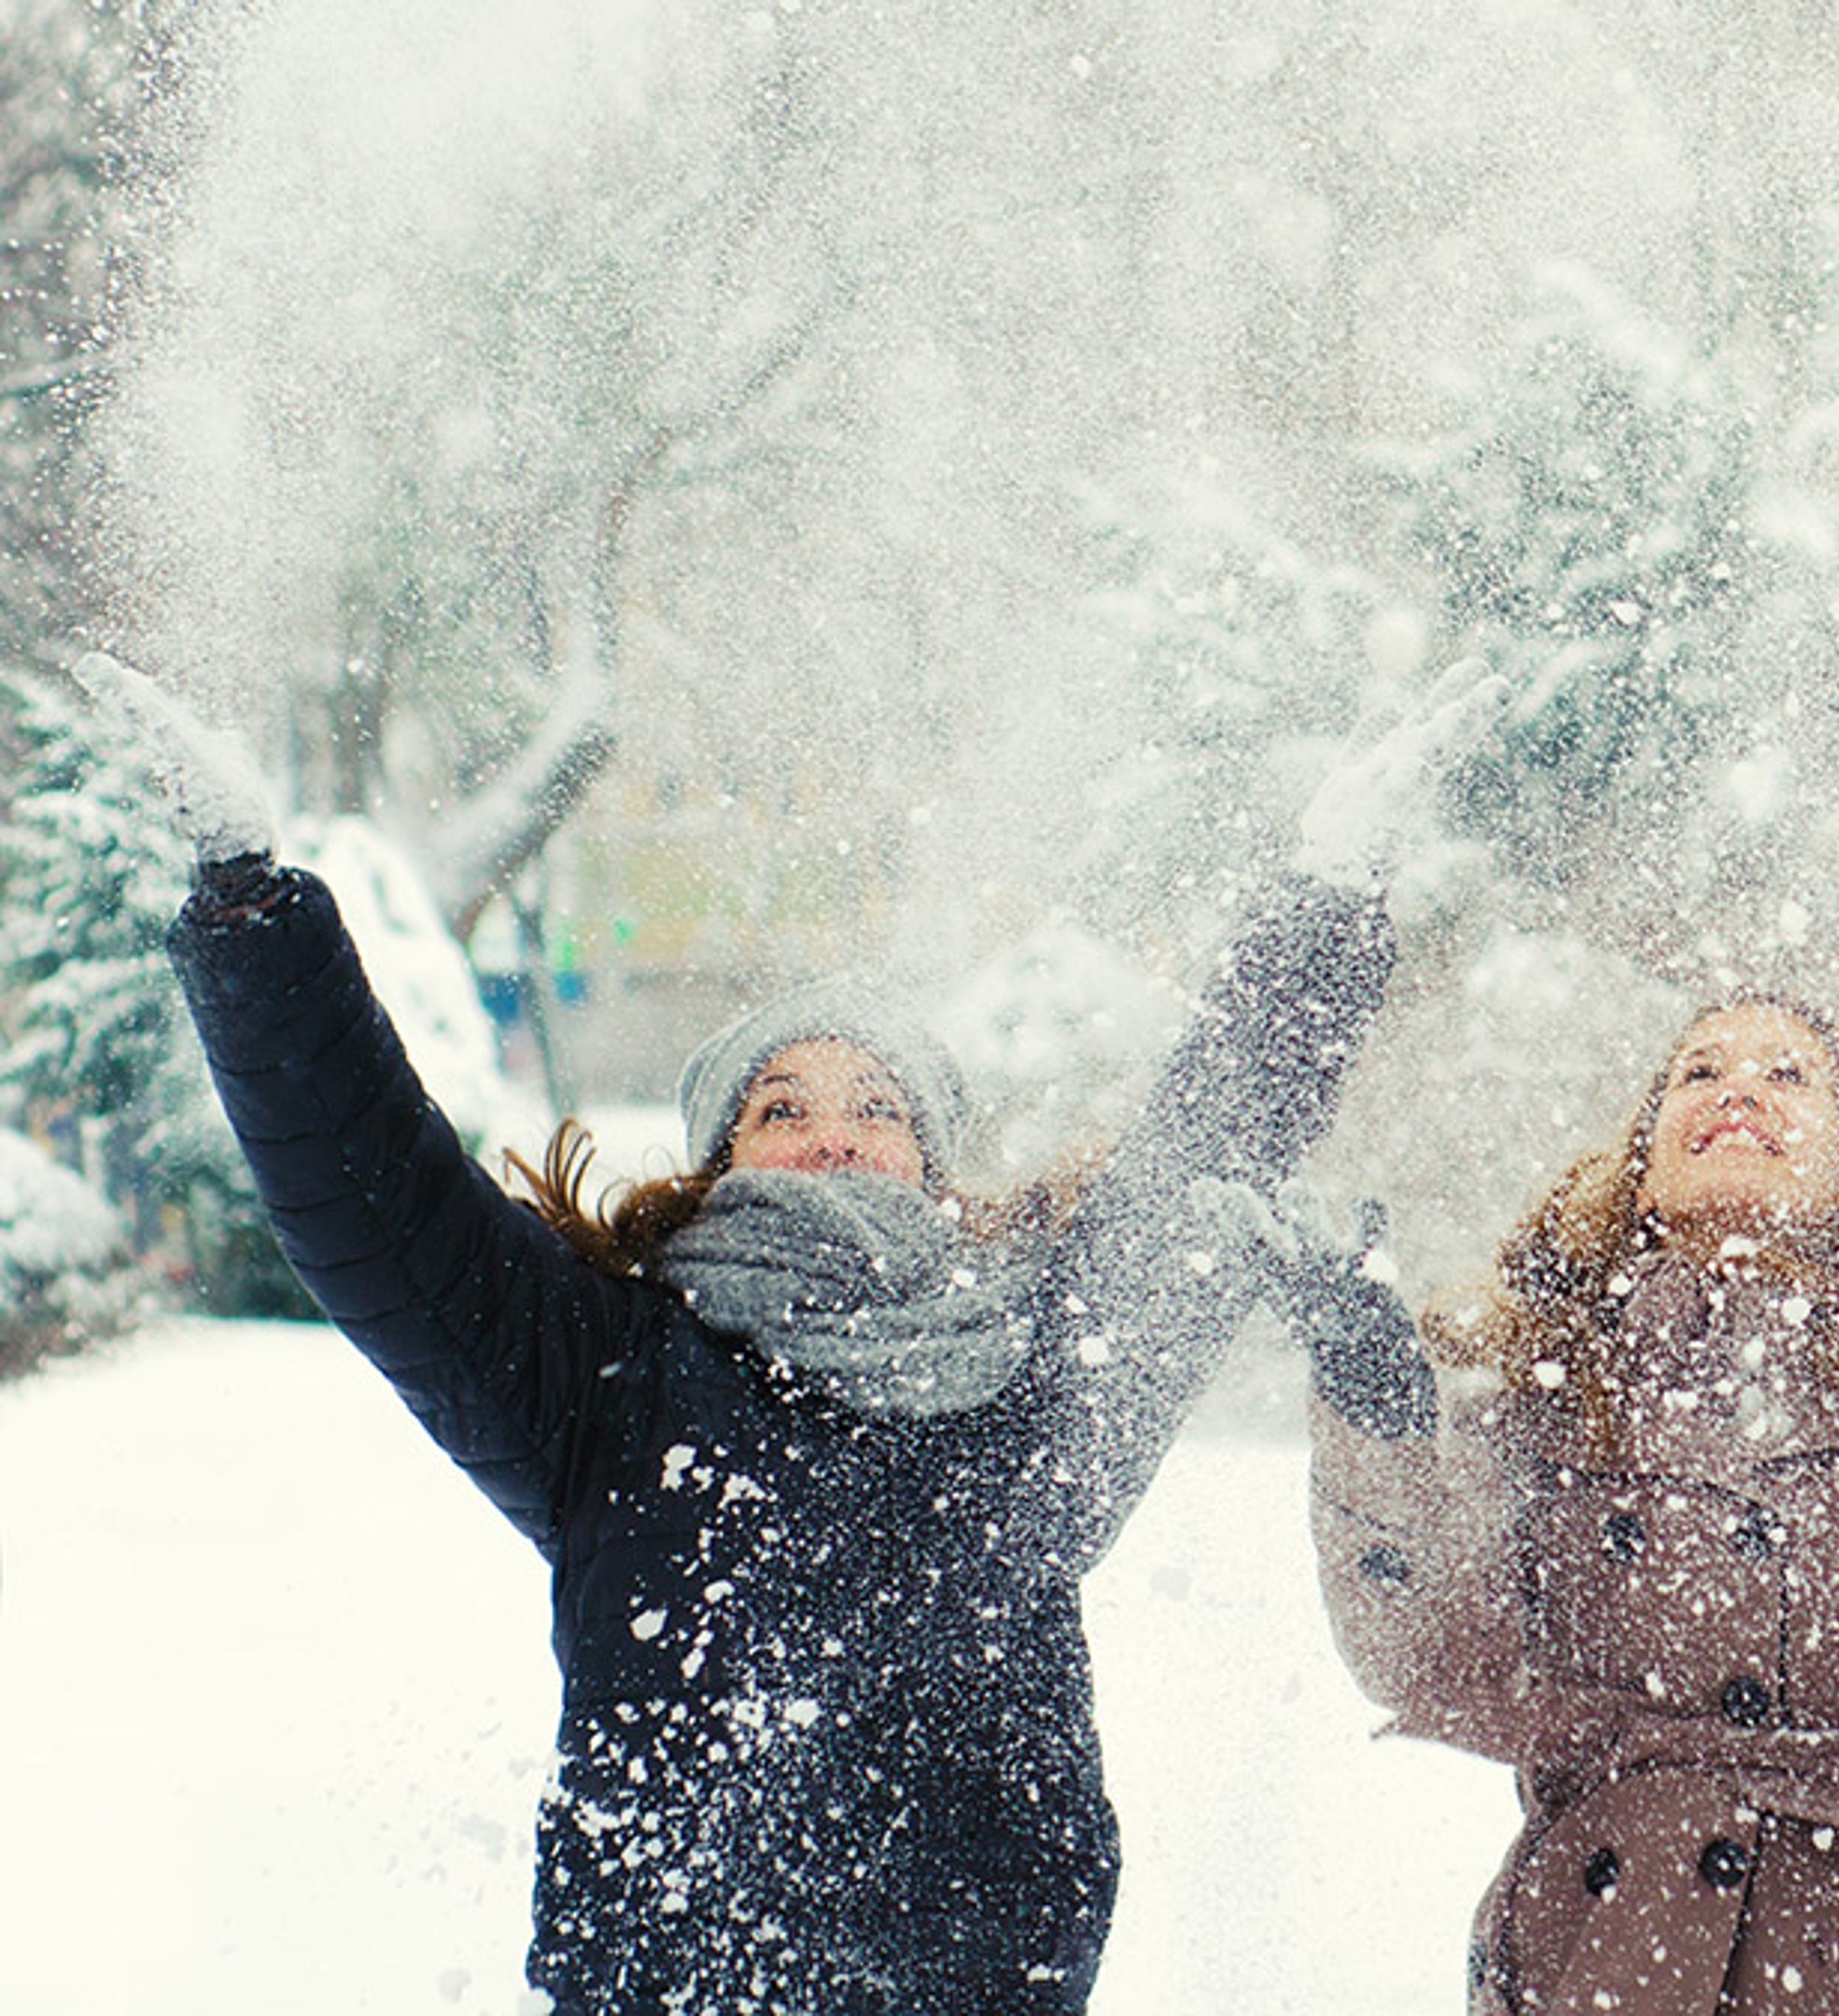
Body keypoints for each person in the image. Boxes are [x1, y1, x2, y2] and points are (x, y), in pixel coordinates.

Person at [86, 650, 1492, 2014]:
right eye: (784, 1108)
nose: (836, 1136)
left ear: (935, 1169)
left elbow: (1210, 1136)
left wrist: (1330, 889)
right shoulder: (608, 1370)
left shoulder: (1041, 1368)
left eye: (882, 1110)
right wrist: (251, 913)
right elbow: (376, 1193)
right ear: (718, 1163)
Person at [1293, 991, 1839, 2014]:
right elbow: (1427, 1660)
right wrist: (1375, 1409)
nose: (1738, 1090)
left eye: (1788, 1075)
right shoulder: (1543, 1374)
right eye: (1699, 1072)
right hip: (1604, 1952)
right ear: (1640, 1169)